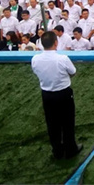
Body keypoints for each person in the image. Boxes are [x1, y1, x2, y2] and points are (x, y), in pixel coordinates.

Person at [31, 31, 83, 159]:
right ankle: (70, 149)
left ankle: (57, 150)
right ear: (56, 42)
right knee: (67, 122)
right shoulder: (62, 58)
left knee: (52, 123)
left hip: (47, 94)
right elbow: (73, 72)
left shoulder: (35, 59)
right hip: (63, 94)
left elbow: (36, 72)